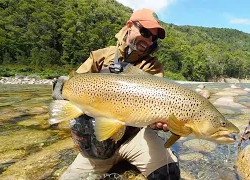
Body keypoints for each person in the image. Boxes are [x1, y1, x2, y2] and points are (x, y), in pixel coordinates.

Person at [52, 8, 180, 180]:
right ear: (129, 26)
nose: (149, 41)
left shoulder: (153, 66)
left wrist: (157, 122)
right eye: (145, 32)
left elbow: (156, 104)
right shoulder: (100, 56)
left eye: (154, 37)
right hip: (98, 146)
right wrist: (61, 90)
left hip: (135, 137)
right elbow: (74, 85)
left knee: (170, 174)